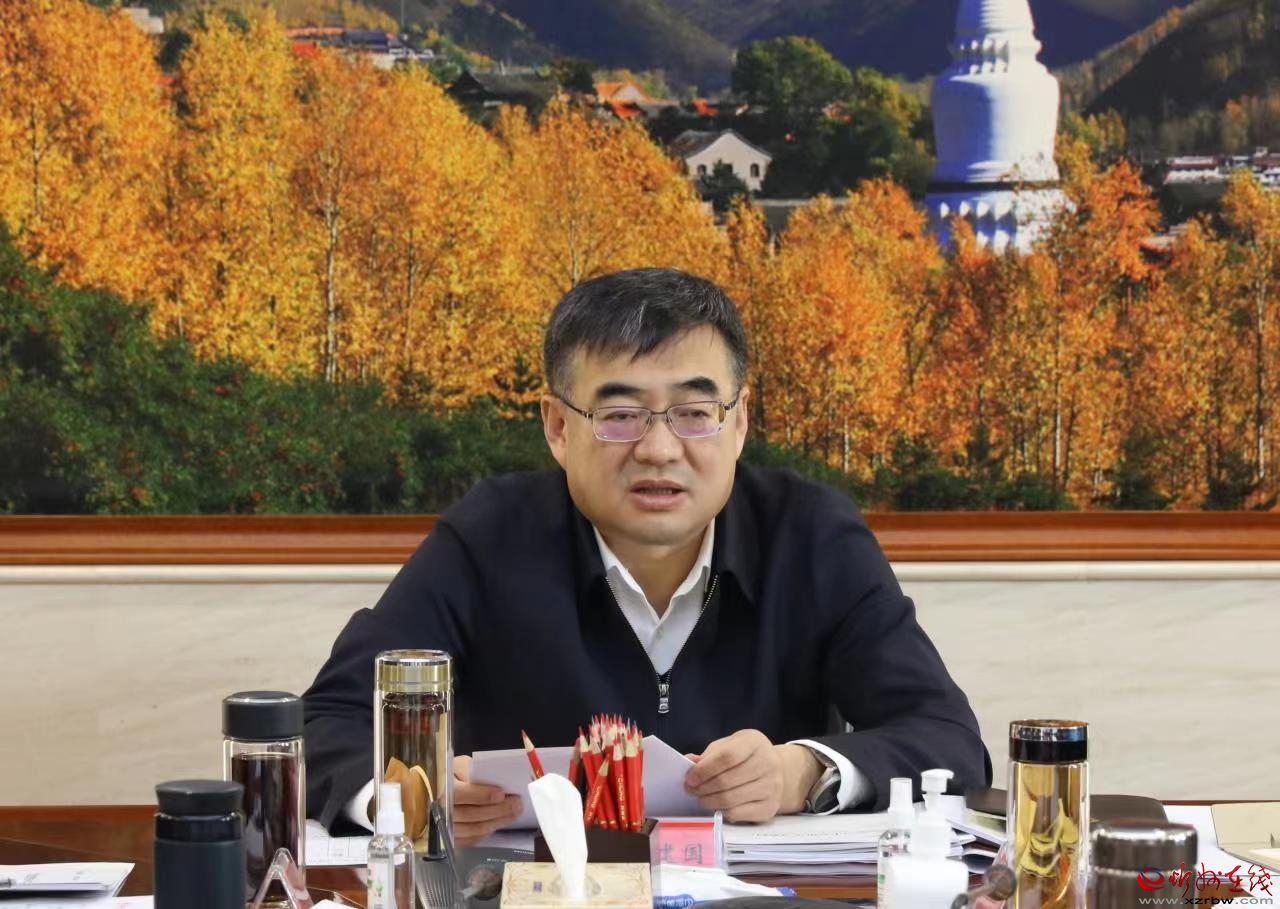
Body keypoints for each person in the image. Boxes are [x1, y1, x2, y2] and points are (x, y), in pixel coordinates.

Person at [303, 267, 990, 846]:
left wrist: (802, 773)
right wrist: (407, 793)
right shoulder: (489, 537)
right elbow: (324, 722)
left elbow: (947, 737)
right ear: (557, 427)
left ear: (738, 422)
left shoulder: (811, 536)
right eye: (620, 416)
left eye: (694, 413)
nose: (660, 449)